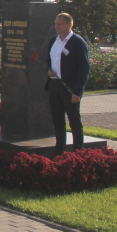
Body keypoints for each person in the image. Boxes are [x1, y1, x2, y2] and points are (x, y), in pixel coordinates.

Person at [45, 13, 90, 156]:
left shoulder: (77, 42)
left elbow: (84, 68)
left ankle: (77, 154)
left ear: (70, 24)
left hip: (69, 88)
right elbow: (49, 61)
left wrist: (78, 91)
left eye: (60, 24)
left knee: (74, 122)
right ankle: (59, 152)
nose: (56, 26)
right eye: (56, 23)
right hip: (54, 86)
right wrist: (49, 71)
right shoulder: (54, 41)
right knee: (58, 121)